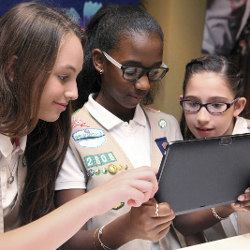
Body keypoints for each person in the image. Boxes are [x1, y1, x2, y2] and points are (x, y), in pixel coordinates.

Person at [0, 2, 159, 249]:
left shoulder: (32, 134)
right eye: (63, 77)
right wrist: (96, 199)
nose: (74, 92)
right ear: (13, 69)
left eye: (74, 78)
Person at [55, 4, 183, 250]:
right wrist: (127, 228)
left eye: (153, 72)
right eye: (132, 71)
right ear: (100, 61)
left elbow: (185, 217)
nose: (144, 84)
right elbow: (69, 241)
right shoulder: (70, 134)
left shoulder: (166, 125)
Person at [174, 55, 250, 245]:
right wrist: (227, 206)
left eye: (216, 105)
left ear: (238, 106)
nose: (202, 118)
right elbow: (185, 225)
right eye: (193, 104)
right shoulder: (183, 156)